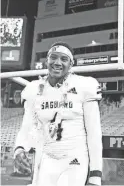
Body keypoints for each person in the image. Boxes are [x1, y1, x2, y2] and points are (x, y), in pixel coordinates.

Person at [14, 42, 103, 186]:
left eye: (64, 59)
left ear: (71, 64)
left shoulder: (84, 86)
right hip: (46, 158)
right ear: (47, 61)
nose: (57, 62)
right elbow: (27, 125)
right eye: (53, 57)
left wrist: (95, 174)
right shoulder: (34, 89)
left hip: (75, 158)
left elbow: (94, 133)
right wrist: (19, 148)